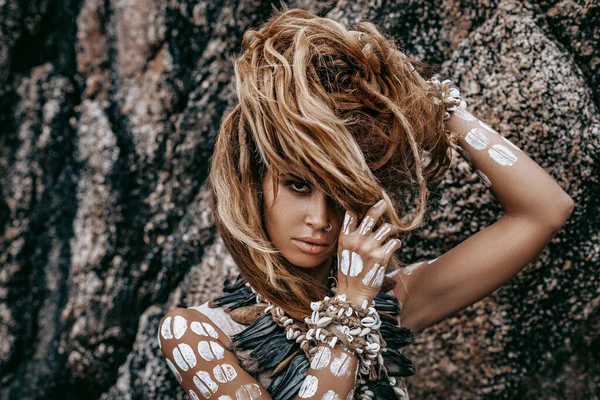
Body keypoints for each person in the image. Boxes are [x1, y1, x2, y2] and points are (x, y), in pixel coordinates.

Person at [156, 5, 574, 400]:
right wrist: (350, 308)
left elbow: (545, 210)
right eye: (298, 186)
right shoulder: (196, 333)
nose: (321, 219)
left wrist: (433, 103)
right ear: (253, 185)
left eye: (341, 196)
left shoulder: (388, 303)